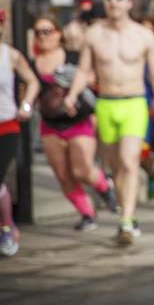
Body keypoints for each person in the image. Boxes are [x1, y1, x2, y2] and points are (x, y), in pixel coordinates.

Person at [65, 0, 154, 246]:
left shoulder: (144, 35)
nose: (113, 2)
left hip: (134, 102)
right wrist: (72, 94)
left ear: (129, 3)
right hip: (106, 103)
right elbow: (83, 71)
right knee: (115, 168)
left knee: (129, 161)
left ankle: (126, 221)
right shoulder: (94, 34)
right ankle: (128, 215)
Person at [30, 14, 117, 230]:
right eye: (38, 32)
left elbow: (93, 77)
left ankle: (104, 186)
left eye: (47, 31)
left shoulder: (73, 56)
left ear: (58, 34)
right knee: (62, 174)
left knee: (81, 169)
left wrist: (82, 79)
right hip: (50, 124)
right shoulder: (32, 63)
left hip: (78, 121)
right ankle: (87, 213)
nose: (42, 36)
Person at [0, 9, 40, 257]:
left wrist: (26, 105)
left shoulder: (10, 55)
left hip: (6, 125)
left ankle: (6, 226)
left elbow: (33, 81)